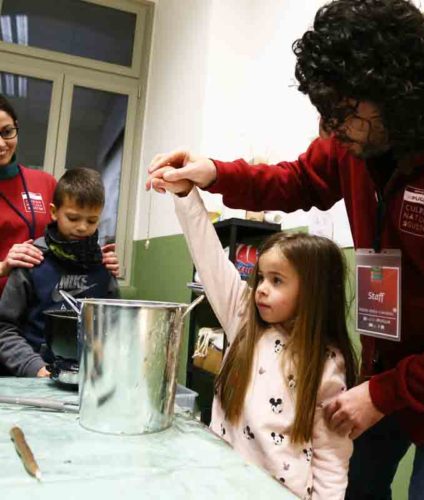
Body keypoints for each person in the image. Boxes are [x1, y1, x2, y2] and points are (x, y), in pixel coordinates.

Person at [147, 0, 424, 498]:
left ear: (396, 94)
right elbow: (298, 179)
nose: (330, 130)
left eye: (342, 114)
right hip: (383, 367)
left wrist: (385, 394)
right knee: (356, 485)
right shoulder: (357, 135)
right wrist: (216, 173)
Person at [148, 173, 357, 499]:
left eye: (276, 281)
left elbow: (331, 457)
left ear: (314, 293)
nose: (260, 289)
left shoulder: (326, 363)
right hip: (220, 485)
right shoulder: (245, 320)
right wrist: (186, 194)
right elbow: (210, 258)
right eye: (260, 277)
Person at [0, 167, 119, 378]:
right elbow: (4, 329)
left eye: (91, 221)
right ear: (54, 212)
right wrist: (34, 367)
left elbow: (115, 328)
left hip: (89, 378)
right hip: (32, 377)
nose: (82, 227)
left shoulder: (104, 266)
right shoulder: (31, 261)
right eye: (73, 218)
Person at [0, 94, 119, 297]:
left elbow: (71, 235)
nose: (2, 144)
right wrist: (3, 266)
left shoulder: (45, 183)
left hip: (41, 309)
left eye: (7, 132)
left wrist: (98, 261)